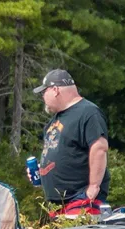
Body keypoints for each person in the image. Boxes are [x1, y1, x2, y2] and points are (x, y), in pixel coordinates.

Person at [32, 69, 111, 217]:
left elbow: (99, 147)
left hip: (80, 200)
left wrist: (93, 187)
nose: (42, 97)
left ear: (55, 90)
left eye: (44, 92)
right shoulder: (53, 121)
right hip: (57, 206)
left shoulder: (88, 112)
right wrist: (41, 172)